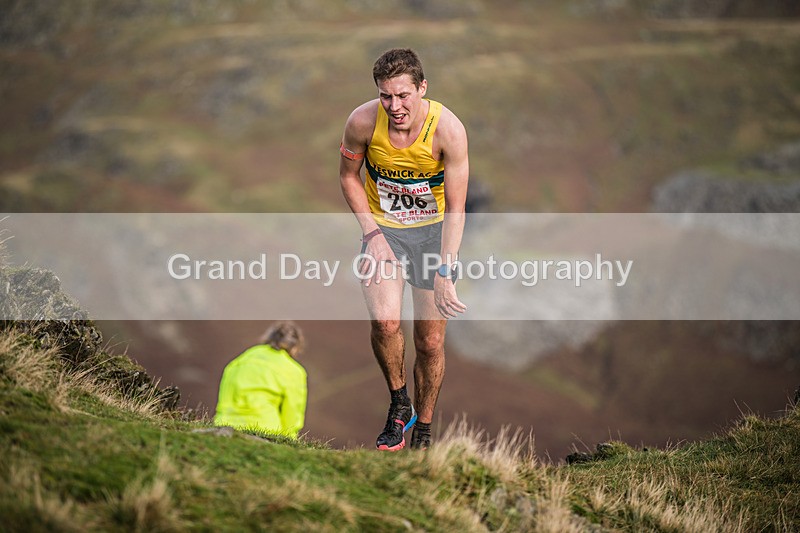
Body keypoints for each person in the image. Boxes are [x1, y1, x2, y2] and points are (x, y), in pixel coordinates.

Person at [339, 48, 469, 450]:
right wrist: (372, 234)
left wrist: (446, 271)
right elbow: (348, 176)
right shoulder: (361, 122)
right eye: (385, 96)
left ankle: (424, 431)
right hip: (385, 234)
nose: (394, 106)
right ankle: (399, 404)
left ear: (422, 88)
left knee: (429, 343)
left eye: (403, 96)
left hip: (432, 238)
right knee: (386, 324)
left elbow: (457, 208)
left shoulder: (448, 130)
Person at [214, 321, 308, 438]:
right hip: (265, 429)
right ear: (295, 347)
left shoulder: (241, 359)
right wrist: (289, 439)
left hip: (225, 425)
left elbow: (225, 397)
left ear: (268, 338)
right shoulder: (294, 371)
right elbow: (292, 412)